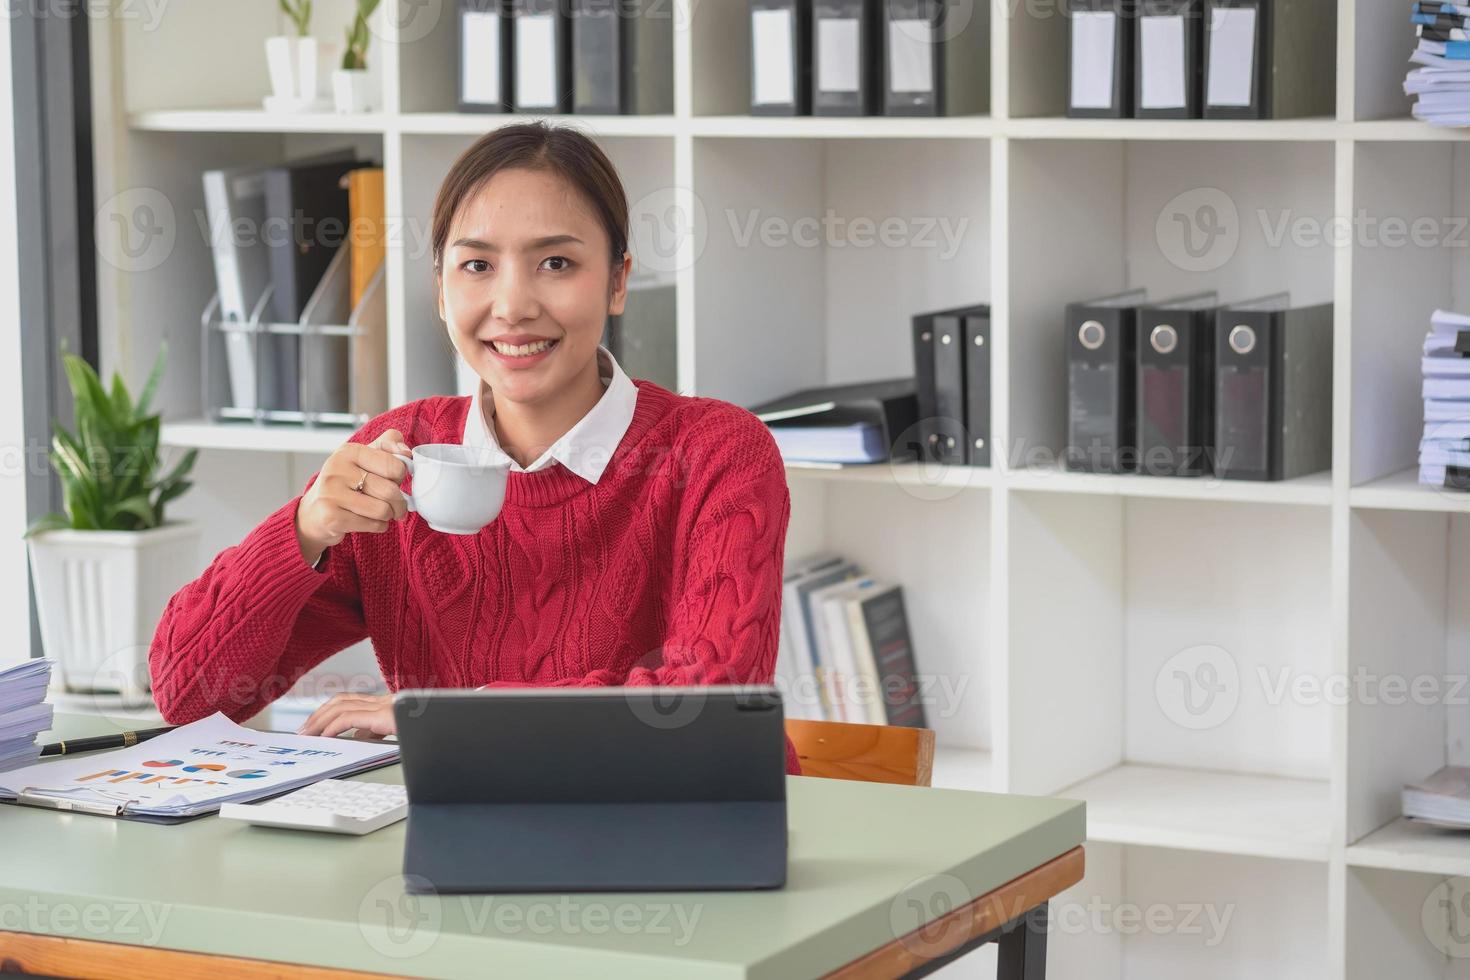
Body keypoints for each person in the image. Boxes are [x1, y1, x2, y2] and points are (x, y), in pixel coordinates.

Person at [147, 122, 800, 774]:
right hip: (460, 843)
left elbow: (714, 707)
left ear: (618, 281)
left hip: (691, 842)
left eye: (556, 263)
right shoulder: (398, 455)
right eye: (477, 266)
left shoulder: (715, 453)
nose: (512, 305)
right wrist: (303, 528)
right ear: (439, 289)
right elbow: (186, 694)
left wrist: (455, 716)